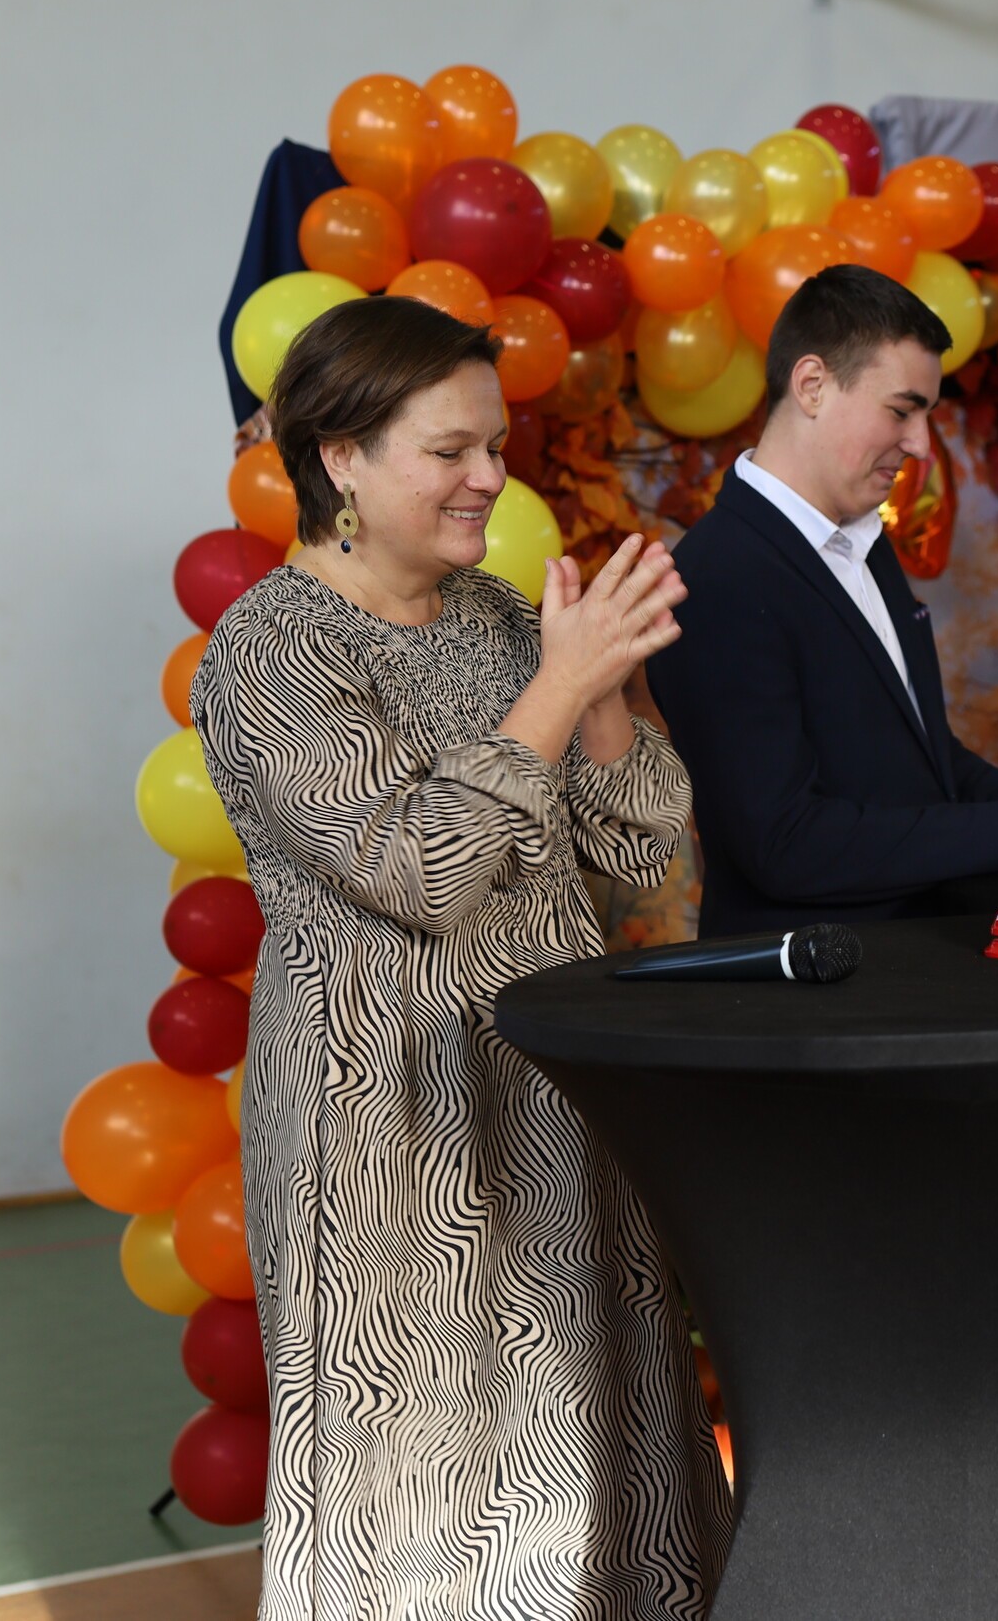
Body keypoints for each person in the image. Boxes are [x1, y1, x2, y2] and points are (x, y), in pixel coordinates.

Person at [190, 297, 730, 1620]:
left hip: (556, 1081)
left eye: (495, 445)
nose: (488, 475)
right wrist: (559, 684)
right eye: (449, 450)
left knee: (587, 1413)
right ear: (341, 459)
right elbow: (420, 869)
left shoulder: (497, 615)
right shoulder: (268, 649)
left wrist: (602, 692)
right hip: (390, 1109)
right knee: (428, 1449)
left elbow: (636, 837)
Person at [647, 265, 998, 936]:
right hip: (811, 985)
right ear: (812, 385)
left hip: (916, 962)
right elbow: (787, 844)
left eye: (927, 415)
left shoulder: (864, 541)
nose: (920, 443)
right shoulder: (718, 575)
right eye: (901, 410)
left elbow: (931, 770)